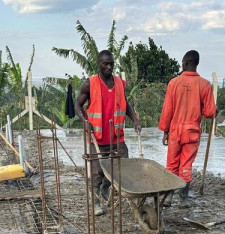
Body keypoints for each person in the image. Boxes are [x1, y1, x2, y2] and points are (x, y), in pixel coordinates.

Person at [75, 50, 142, 216]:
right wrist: (85, 122)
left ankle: (107, 188)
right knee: (96, 172)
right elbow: (78, 105)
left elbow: (125, 104)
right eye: (105, 63)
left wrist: (135, 119)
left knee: (121, 166)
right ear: (99, 64)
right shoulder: (89, 83)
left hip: (116, 136)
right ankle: (96, 202)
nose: (109, 67)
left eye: (111, 63)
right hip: (96, 137)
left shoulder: (119, 83)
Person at [158, 50, 217, 207]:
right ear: (196, 63)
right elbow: (210, 112)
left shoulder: (174, 83)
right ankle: (183, 199)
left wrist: (165, 130)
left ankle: (169, 197)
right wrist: (214, 111)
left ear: (185, 63)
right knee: (186, 164)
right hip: (192, 131)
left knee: (172, 163)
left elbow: (168, 110)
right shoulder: (205, 85)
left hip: (175, 129)